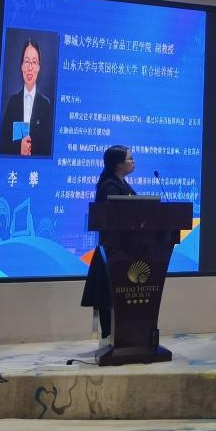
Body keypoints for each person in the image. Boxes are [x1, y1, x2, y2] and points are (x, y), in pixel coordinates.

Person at [80, 145, 136, 341]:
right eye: (130, 158)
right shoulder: (109, 187)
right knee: (110, 298)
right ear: (119, 164)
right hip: (113, 252)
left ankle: (123, 338)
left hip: (123, 251)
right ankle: (110, 339)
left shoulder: (122, 184)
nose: (133, 162)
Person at [0, 38, 53, 156]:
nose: (30, 68)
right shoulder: (13, 102)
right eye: (27, 61)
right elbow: (2, 144)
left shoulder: (45, 105)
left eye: (34, 62)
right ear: (22, 66)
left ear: (38, 67)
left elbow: (48, 148)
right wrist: (19, 148)